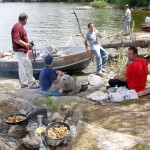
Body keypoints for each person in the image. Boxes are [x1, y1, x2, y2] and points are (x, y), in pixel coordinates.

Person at [11, 13, 39, 89]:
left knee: (22, 68)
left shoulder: (19, 26)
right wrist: (27, 45)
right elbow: (17, 40)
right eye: (26, 19)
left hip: (20, 51)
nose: (27, 21)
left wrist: (28, 44)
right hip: (21, 52)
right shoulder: (17, 27)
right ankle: (31, 84)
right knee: (28, 66)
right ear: (24, 19)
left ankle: (24, 83)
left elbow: (19, 39)